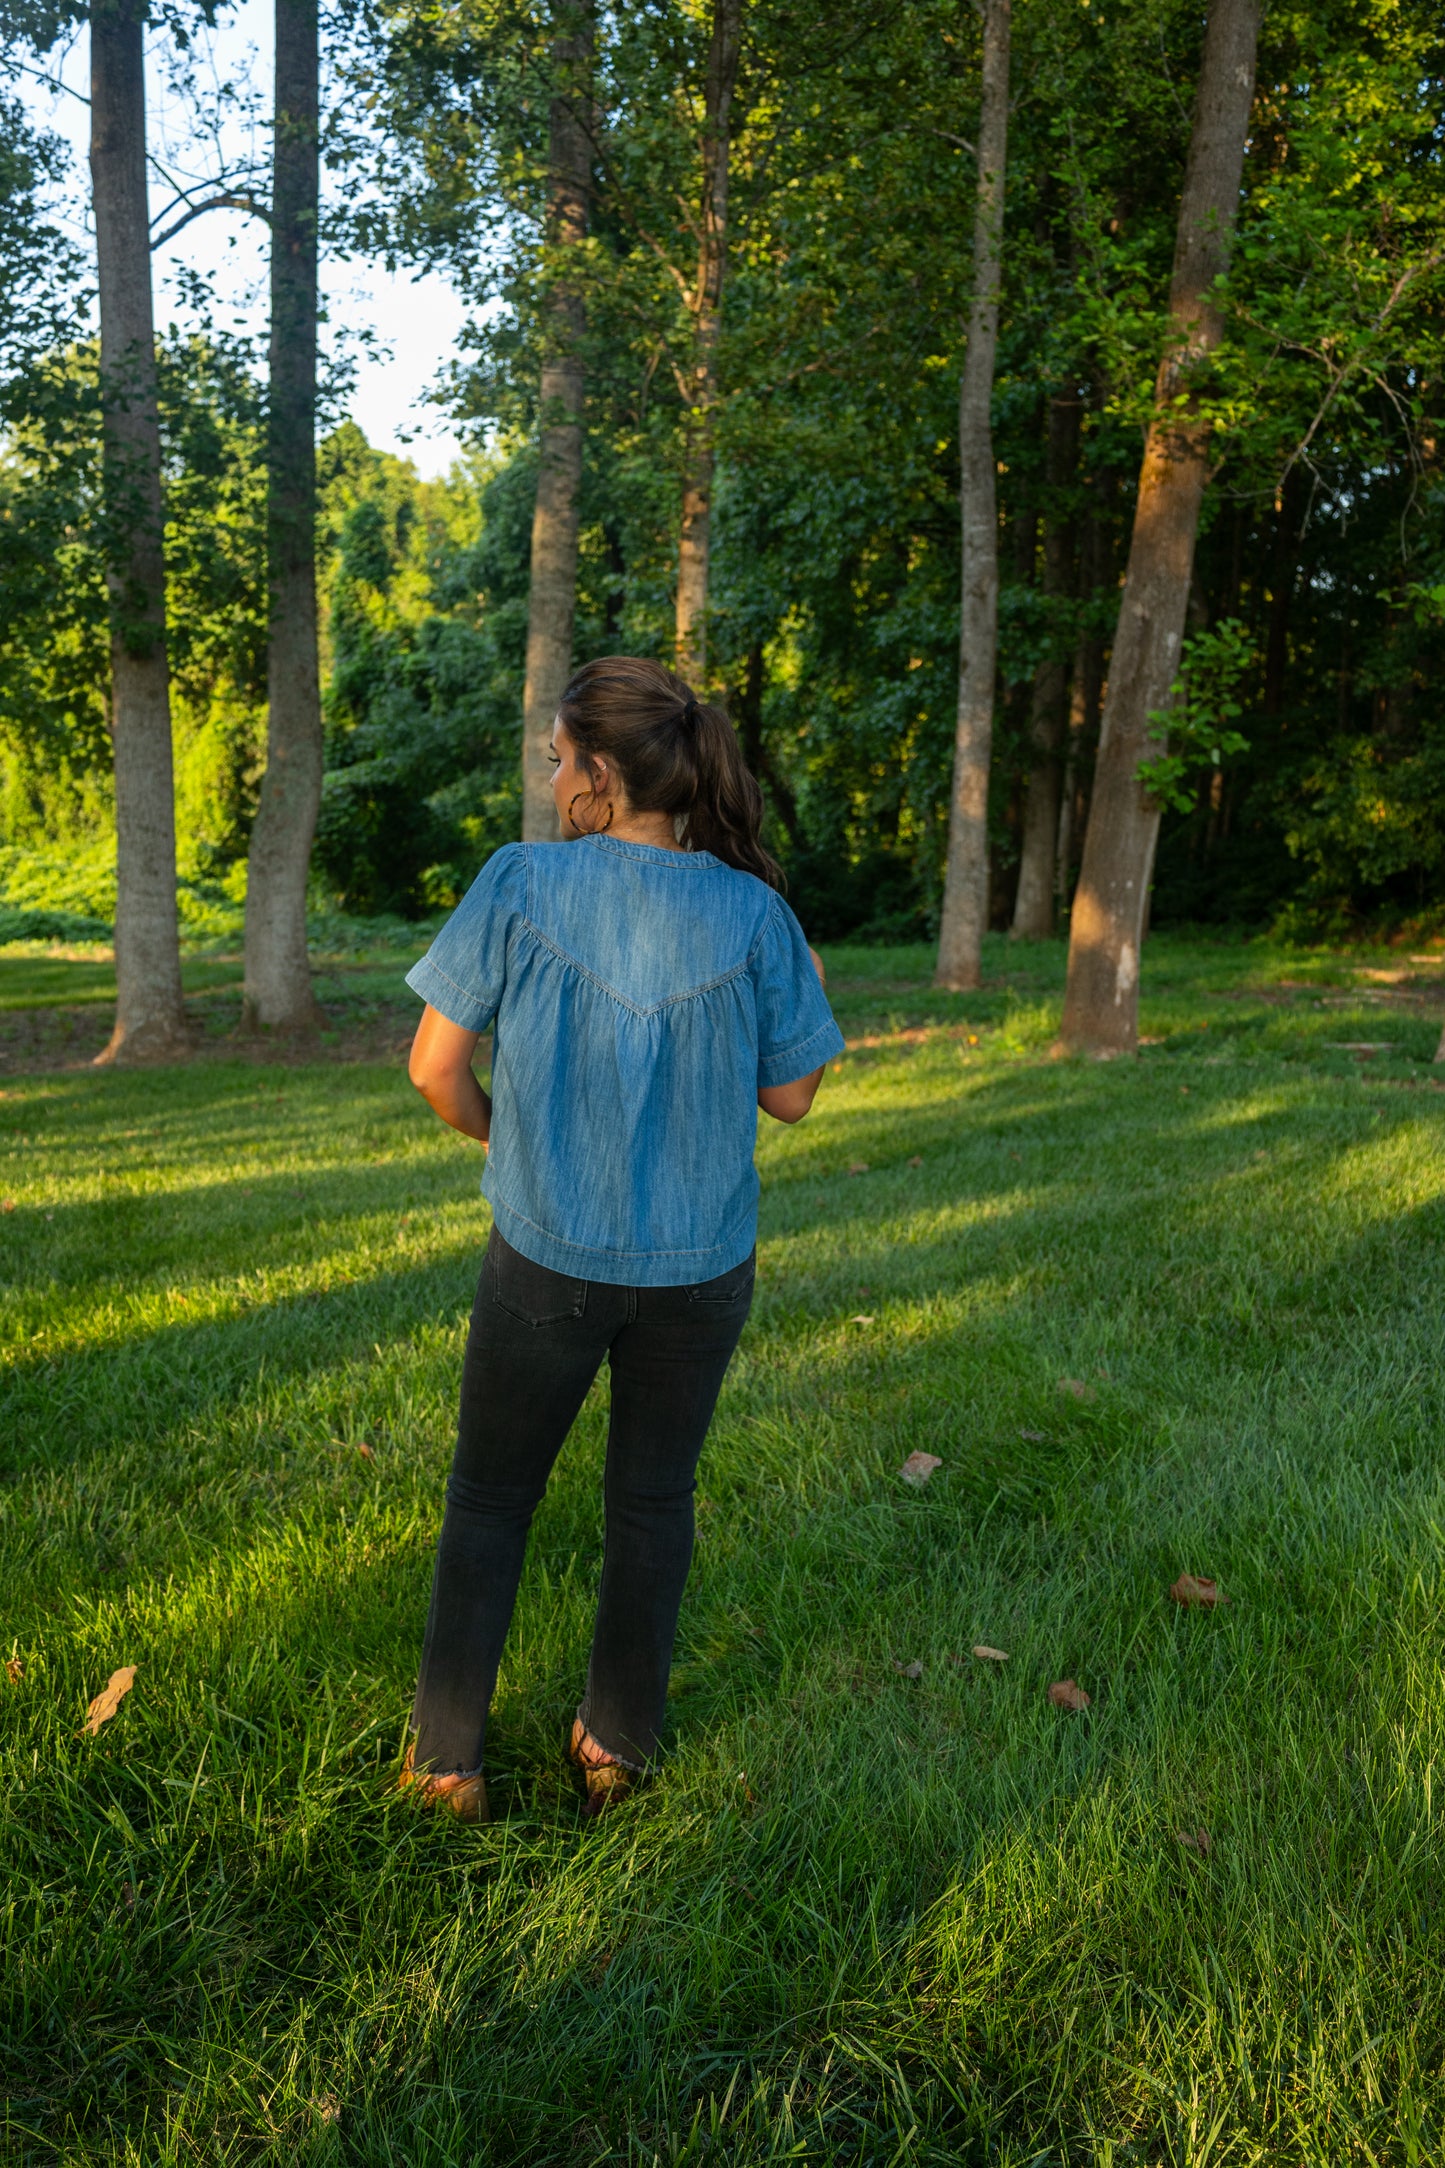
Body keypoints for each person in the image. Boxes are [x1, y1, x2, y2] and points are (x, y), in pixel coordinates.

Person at [399, 655, 844, 1821]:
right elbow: (792, 1096)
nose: (552, 778)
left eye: (557, 757)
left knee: (491, 1500)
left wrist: (514, 1151)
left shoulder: (517, 883)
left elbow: (434, 1069)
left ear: (598, 770)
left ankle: (446, 1759)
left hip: (544, 1253)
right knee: (652, 1501)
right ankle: (616, 1747)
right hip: (700, 1269)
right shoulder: (754, 908)